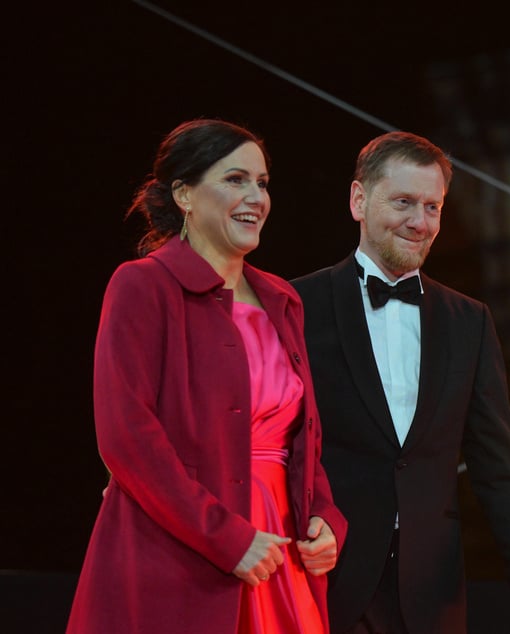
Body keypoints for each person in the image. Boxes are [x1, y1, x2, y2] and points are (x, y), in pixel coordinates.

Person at [66, 118, 347, 634]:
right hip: (181, 550)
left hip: (280, 553)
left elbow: (302, 437)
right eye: (235, 179)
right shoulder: (143, 286)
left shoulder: (282, 299)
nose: (256, 197)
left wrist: (325, 516)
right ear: (184, 195)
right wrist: (228, 539)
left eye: (262, 183)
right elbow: (127, 436)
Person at [291, 130, 510, 634]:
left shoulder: (469, 321)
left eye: (432, 207)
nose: (420, 222)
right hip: (325, 578)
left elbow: (499, 464)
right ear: (358, 200)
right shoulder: (296, 305)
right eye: (404, 202)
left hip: (432, 591)